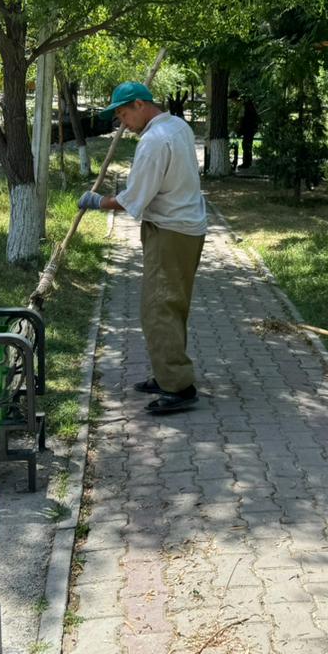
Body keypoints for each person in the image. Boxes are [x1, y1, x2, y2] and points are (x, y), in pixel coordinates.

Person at [78, 82, 208, 415]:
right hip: (184, 228)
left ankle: (177, 387)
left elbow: (134, 199)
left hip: (170, 231)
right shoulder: (178, 125)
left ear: (140, 104)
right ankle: (168, 372)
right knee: (172, 305)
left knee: (158, 308)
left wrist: (98, 202)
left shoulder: (153, 141)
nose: (123, 123)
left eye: (123, 114)